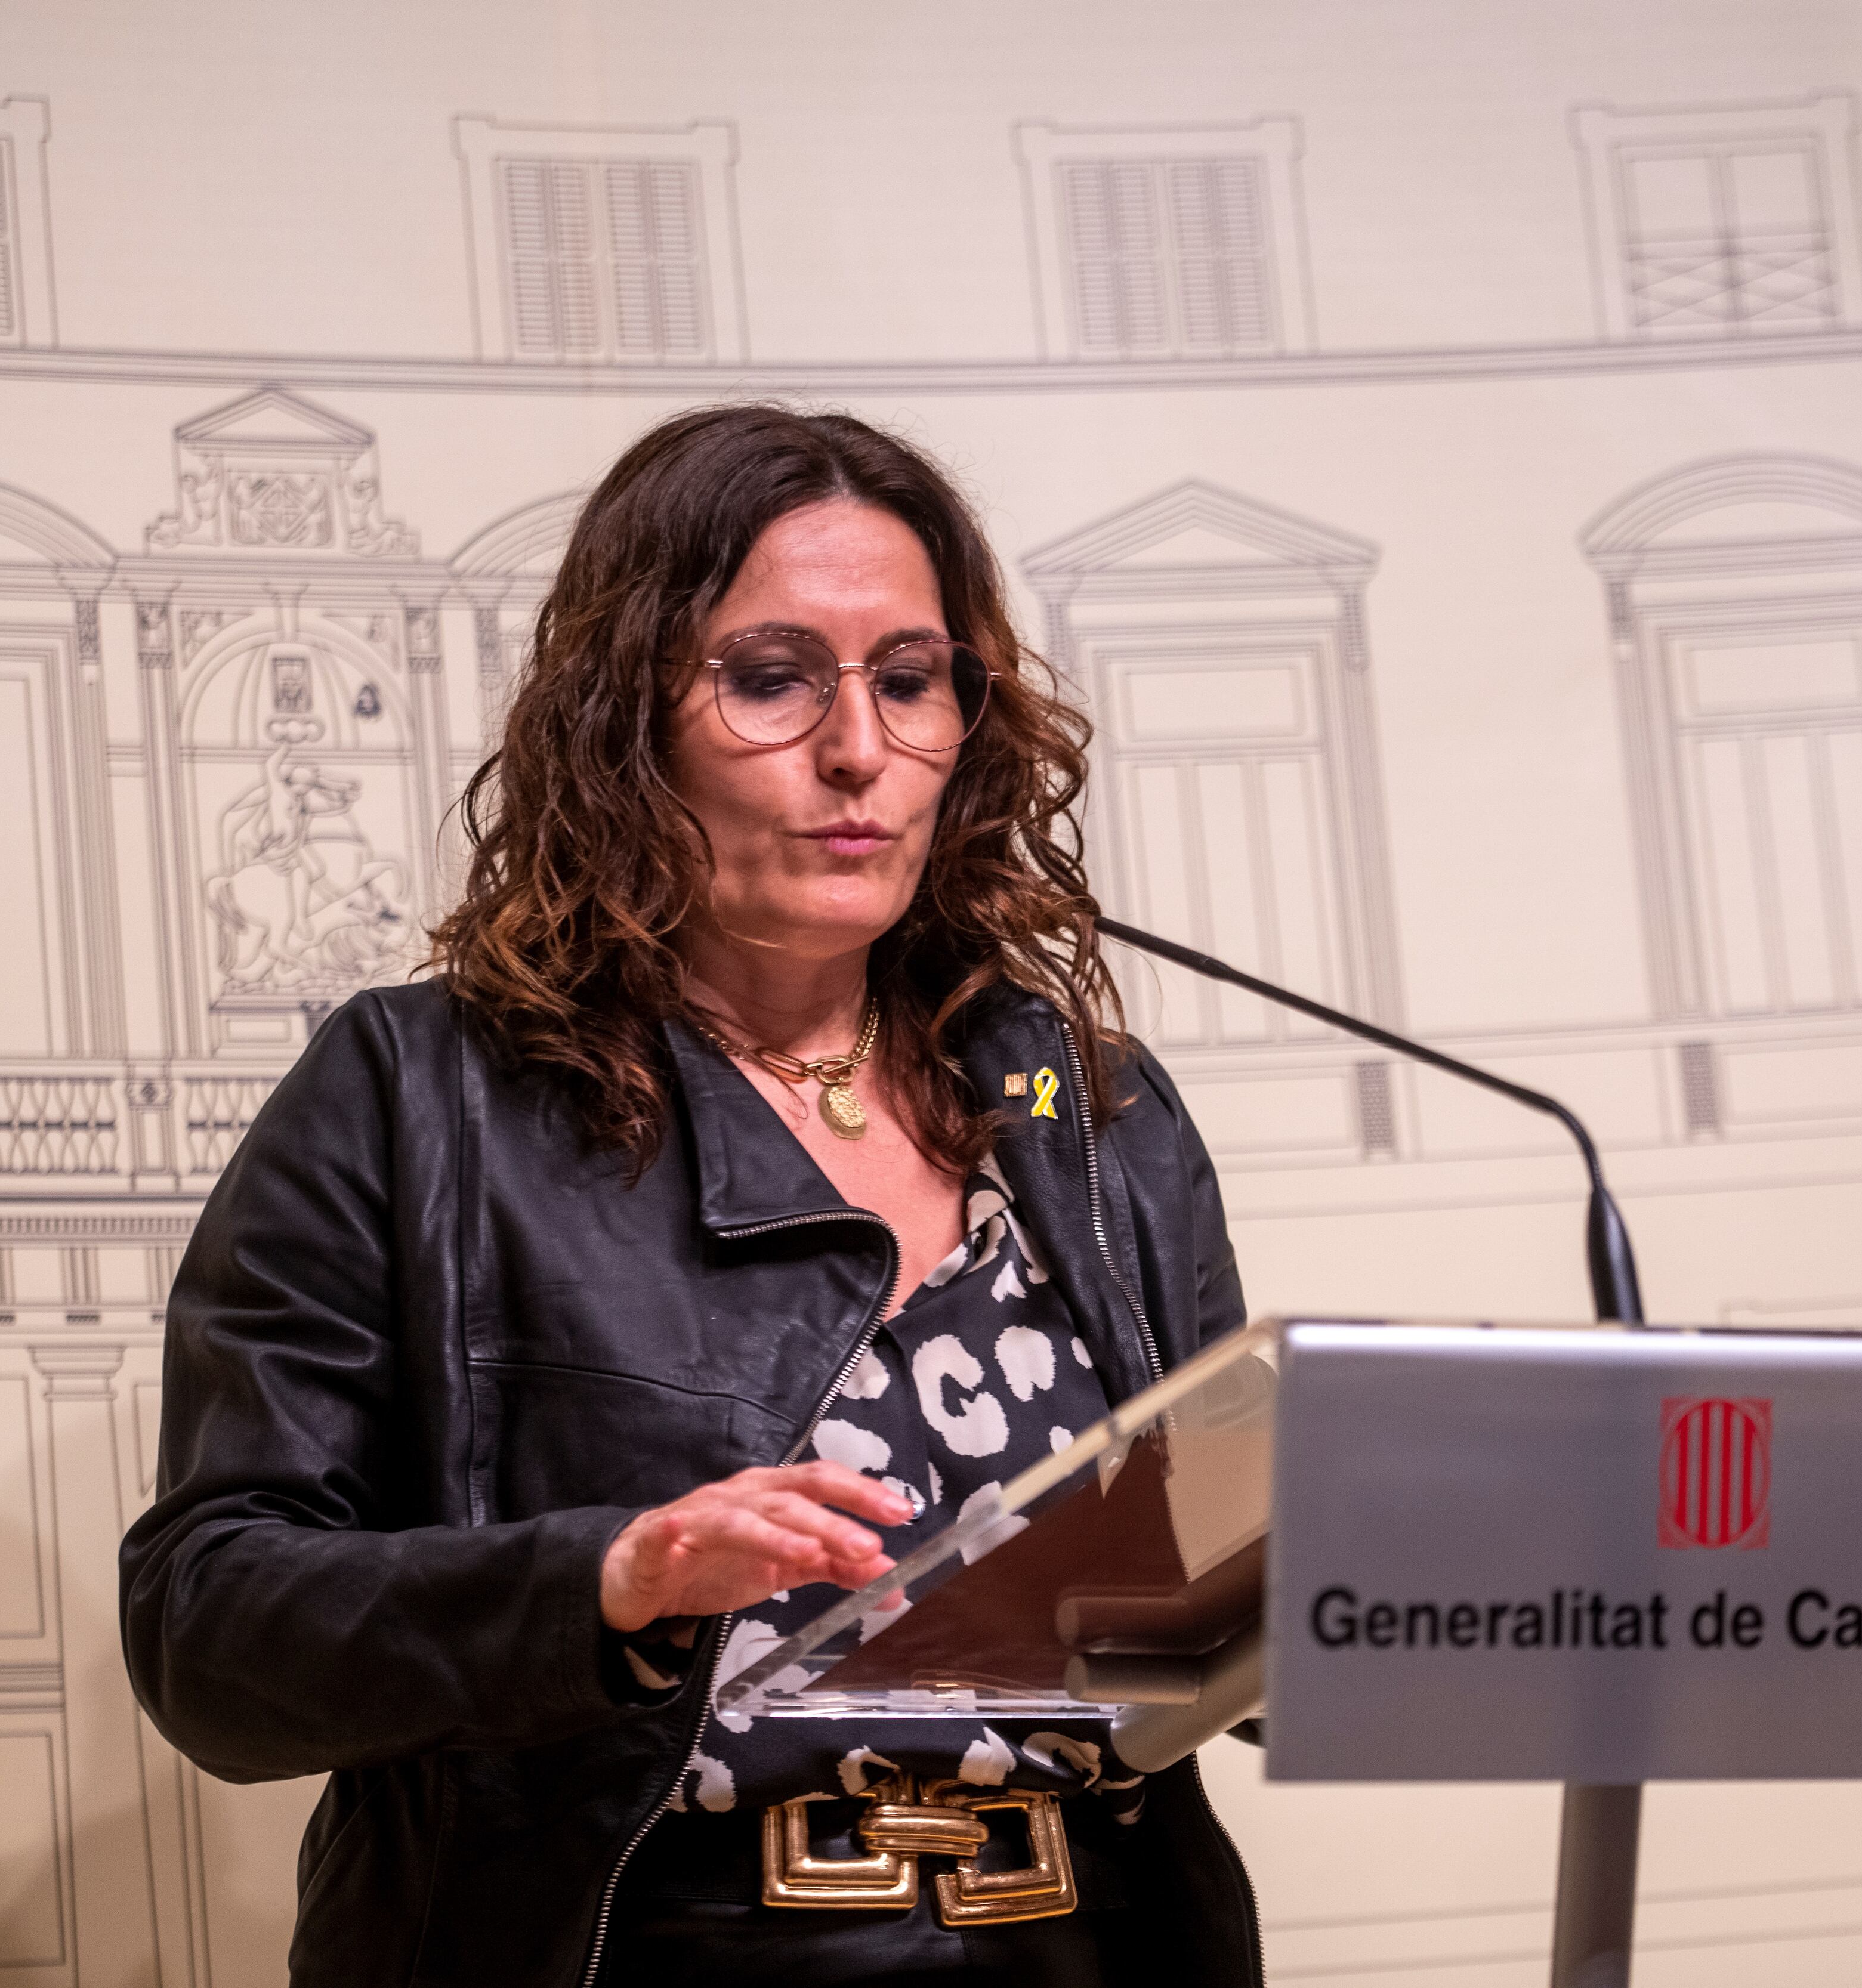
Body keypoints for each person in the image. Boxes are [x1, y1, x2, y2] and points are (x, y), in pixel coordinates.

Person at [119, 404, 1260, 1986]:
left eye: (911, 680)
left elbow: (1212, 1618)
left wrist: (1387, 1575)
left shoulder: (1088, 1110)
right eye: (773, 676)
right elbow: (211, 1630)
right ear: (622, 715)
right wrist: (608, 1581)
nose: (859, 748)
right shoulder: (418, 1097)